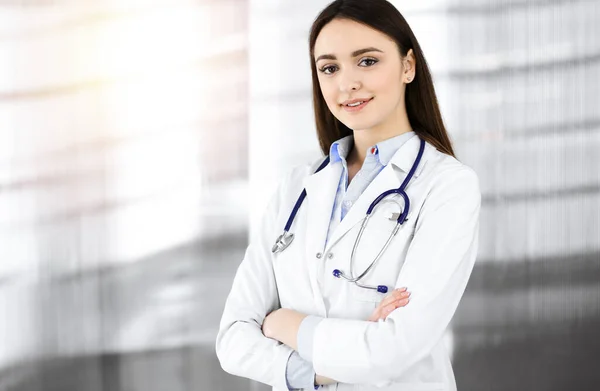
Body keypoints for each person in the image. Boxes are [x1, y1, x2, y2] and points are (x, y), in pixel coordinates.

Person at [215, 1, 481, 390]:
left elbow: (393, 351)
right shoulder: (296, 188)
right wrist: (318, 370)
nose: (347, 83)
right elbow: (233, 340)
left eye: (367, 61)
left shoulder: (448, 185)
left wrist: (284, 324)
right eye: (329, 68)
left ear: (409, 66)